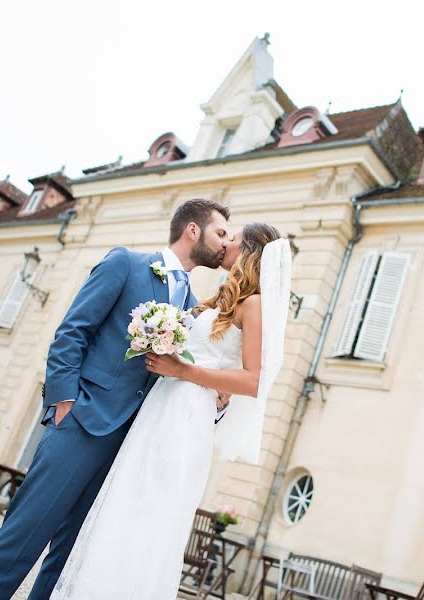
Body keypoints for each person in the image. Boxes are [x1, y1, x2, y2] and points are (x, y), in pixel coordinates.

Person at [0, 199, 232, 600]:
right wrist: (64, 402)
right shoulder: (126, 264)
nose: (225, 243)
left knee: (73, 557)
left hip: (129, 448)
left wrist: (218, 399)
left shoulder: (192, 307)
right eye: (220, 232)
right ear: (193, 230)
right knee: (23, 536)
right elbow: (73, 331)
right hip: (82, 423)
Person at [50, 223, 291, 599]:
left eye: (233, 238)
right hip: (161, 406)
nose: (225, 243)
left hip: (185, 418)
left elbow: (254, 381)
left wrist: (185, 371)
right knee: (127, 500)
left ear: (250, 251)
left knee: (152, 510)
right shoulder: (218, 299)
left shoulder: (254, 304)